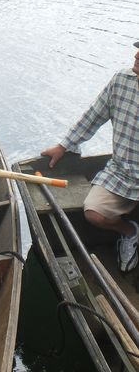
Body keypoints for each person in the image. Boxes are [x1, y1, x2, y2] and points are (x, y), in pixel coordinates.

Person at [41, 41, 139, 272]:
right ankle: (130, 232)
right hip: (121, 172)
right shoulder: (121, 81)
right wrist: (64, 145)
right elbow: (93, 116)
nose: (136, 55)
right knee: (93, 212)